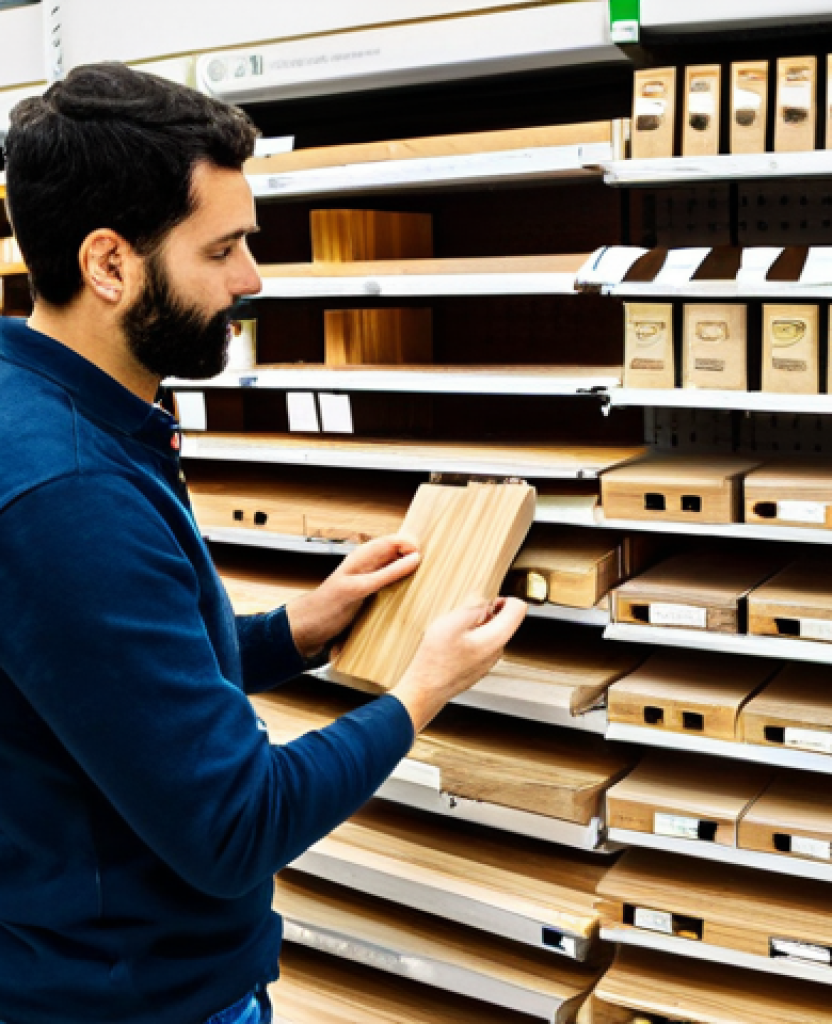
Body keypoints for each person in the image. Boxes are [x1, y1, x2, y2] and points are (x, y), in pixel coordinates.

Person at [0, 63, 527, 1024]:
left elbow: (106, 680)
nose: (251, 279)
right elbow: (235, 825)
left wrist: (299, 628)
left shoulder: (32, 405)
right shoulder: (71, 492)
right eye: (224, 248)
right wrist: (425, 688)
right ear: (108, 263)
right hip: (137, 1000)